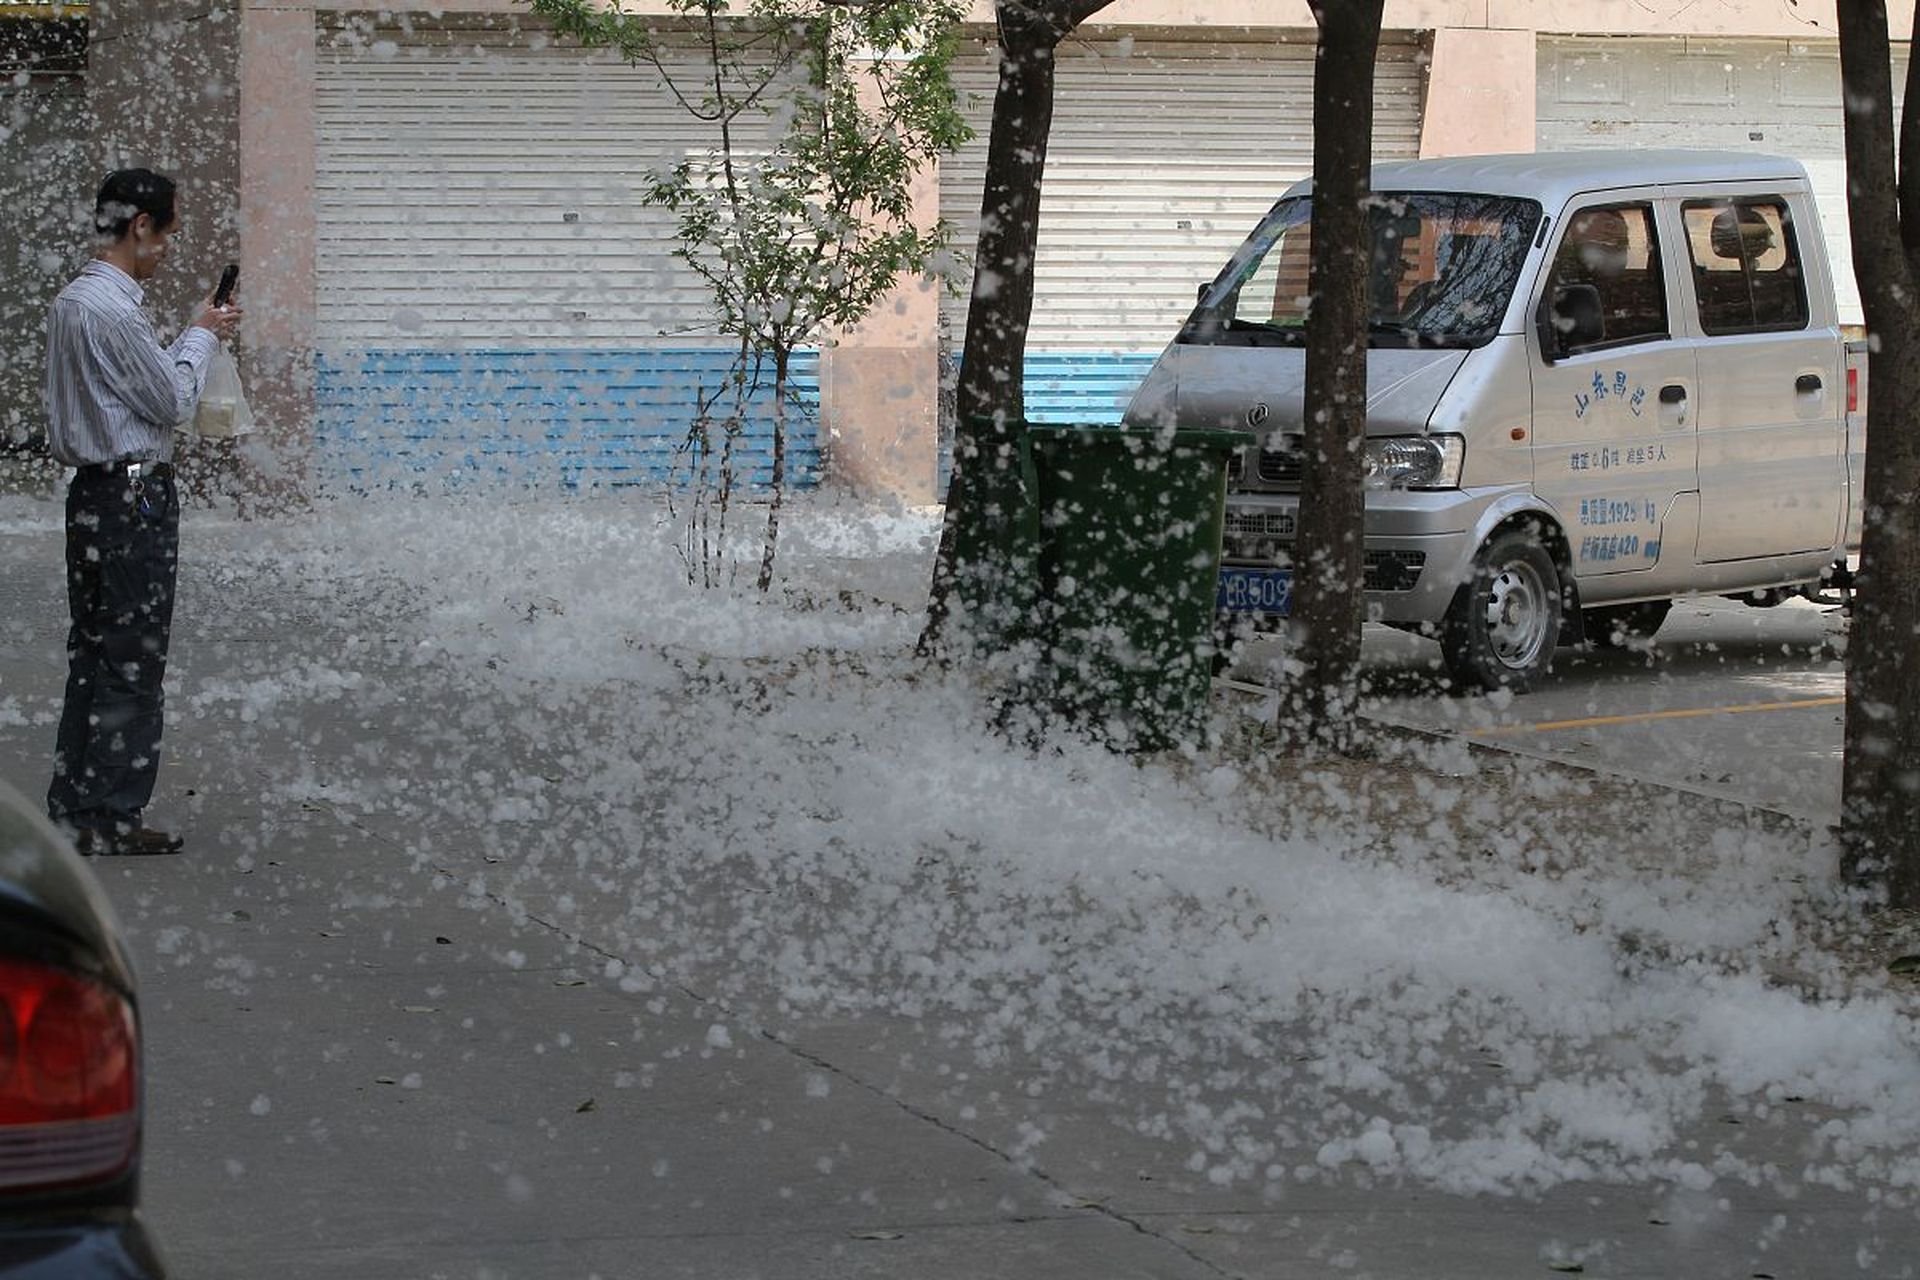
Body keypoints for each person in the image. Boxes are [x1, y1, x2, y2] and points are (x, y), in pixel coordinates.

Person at [43, 168, 241, 856]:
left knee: (93, 650)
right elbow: (173, 404)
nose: (167, 250)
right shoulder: (113, 309)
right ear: (140, 227)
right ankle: (111, 815)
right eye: (168, 235)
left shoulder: (74, 301)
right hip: (134, 498)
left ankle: (76, 805)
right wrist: (201, 334)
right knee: (133, 658)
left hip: (92, 495)